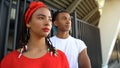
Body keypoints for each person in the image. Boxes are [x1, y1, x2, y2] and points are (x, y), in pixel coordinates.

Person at [0, 1, 69, 68]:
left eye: (50, 19)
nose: (47, 23)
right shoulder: (10, 60)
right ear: (28, 23)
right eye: (41, 18)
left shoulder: (61, 57)